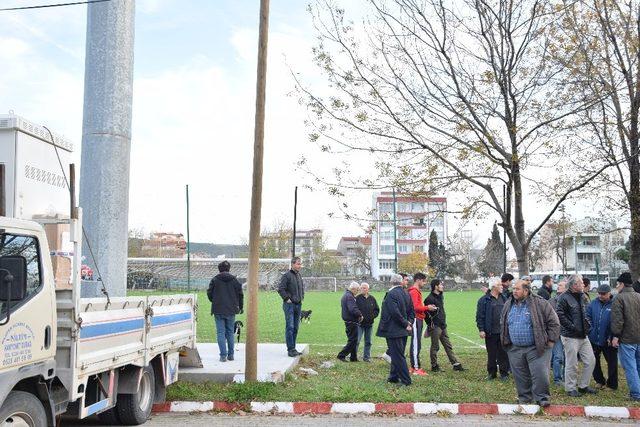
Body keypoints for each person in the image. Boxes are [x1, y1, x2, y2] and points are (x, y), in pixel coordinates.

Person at [500, 280, 560, 407]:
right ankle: (525, 399)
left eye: (517, 289)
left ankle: (542, 398)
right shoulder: (508, 304)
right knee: (520, 376)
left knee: (540, 375)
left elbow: (554, 322)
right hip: (515, 348)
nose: (514, 291)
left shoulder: (540, 303)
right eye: (513, 289)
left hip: (537, 347)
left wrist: (551, 341)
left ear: (526, 291)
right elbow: (503, 322)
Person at [556, 274, 597, 396]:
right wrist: (572, 327)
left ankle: (583, 386)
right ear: (574, 285)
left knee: (590, 360)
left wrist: (588, 325)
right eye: (581, 283)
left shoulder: (583, 296)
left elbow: (586, 313)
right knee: (572, 363)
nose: (584, 284)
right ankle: (570, 388)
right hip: (570, 336)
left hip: (583, 335)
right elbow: (559, 314)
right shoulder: (563, 297)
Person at [377, 274, 414, 386]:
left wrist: (404, 323)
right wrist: (409, 323)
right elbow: (411, 311)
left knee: (397, 356)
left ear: (391, 281)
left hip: (394, 330)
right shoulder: (406, 293)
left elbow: (394, 312)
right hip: (403, 329)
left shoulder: (391, 294)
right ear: (400, 282)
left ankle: (406, 381)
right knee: (397, 354)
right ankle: (393, 377)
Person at [611, 272, 640, 401]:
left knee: (630, 367)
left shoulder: (619, 298)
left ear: (622, 284)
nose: (617, 286)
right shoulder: (639, 296)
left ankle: (636, 394)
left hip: (627, 339)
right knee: (638, 365)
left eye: (617, 284)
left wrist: (615, 336)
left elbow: (618, 320)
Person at [207, 260, 244, 362]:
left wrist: (215, 301)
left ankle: (223, 356)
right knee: (230, 332)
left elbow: (209, 294)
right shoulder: (235, 281)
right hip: (231, 310)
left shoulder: (214, 280)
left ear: (219, 269)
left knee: (220, 333)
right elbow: (240, 295)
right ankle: (231, 355)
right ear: (229, 269)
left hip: (218, 309)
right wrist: (240, 307)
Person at [425, 279, 464, 372]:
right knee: (435, 346)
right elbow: (426, 314)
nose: (442, 286)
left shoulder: (440, 296)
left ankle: (455, 364)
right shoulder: (429, 299)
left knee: (448, 345)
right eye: (441, 285)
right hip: (435, 326)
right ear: (435, 286)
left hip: (443, 325)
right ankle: (434, 366)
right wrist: (430, 325)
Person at [476, 277, 509, 380]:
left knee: (503, 354)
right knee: (491, 354)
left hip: (502, 332)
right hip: (490, 332)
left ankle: (504, 373)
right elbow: (479, 316)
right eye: (499, 285)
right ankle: (492, 373)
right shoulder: (484, 300)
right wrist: (481, 329)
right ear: (494, 287)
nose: (502, 286)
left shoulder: (504, 298)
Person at [586, 284, 617, 390]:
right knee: (594, 360)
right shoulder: (593, 304)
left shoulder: (614, 304)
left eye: (603, 294)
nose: (600, 295)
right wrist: (591, 331)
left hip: (608, 339)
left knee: (612, 362)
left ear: (609, 293)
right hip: (594, 338)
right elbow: (587, 317)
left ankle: (612, 384)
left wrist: (611, 336)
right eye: (599, 293)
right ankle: (599, 380)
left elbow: (616, 322)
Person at [408, 272, 436, 375]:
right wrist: (427, 307)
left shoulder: (415, 291)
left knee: (415, 343)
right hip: (416, 319)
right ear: (418, 280)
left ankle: (412, 366)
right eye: (424, 281)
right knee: (416, 343)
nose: (424, 283)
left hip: (418, 319)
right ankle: (416, 368)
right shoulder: (414, 292)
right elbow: (415, 307)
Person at [278, 256, 305, 357]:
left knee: (296, 327)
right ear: (293, 264)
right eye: (298, 264)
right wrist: (286, 299)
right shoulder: (286, 276)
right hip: (289, 305)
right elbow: (281, 289)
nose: (299, 266)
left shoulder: (299, 276)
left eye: (300, 264)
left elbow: (301, 288)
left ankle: (294, 348)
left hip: (298, 305)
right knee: (290, 327)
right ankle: (290, 349)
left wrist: (302, 297)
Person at [337, 282, 363, 362]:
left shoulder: (347, 295)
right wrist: (360, 315)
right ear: (353, 289)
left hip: (349, 320)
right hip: (351, 321)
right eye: (357, 290)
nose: (358, 291)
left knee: (353, 340)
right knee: (353, 340)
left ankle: (353, 357)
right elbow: (353, 309)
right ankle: (341, 355)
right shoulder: (349, 297)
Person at [356, 282, 379, 362]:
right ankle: (354, 356)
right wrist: (358, 317)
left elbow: (377, 310)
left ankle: (366, 357)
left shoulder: (372, 298)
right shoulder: (357, 298)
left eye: (364, 288)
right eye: (361, 288)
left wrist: (372, 317)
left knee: (368, 341)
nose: (362, 289)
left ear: (368, 289)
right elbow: (354, 310)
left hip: (369, 324)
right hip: (359, 324)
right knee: (357, 340)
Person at [550, 280, 567, 386]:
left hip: (568, 334)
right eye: (558, 285)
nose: (558, 286)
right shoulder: (551, 301)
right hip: (556, 334)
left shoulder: (571, 300)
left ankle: (566, 378)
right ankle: (557, 379)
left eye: (560, 285)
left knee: (568, 358)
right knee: (558, 357)